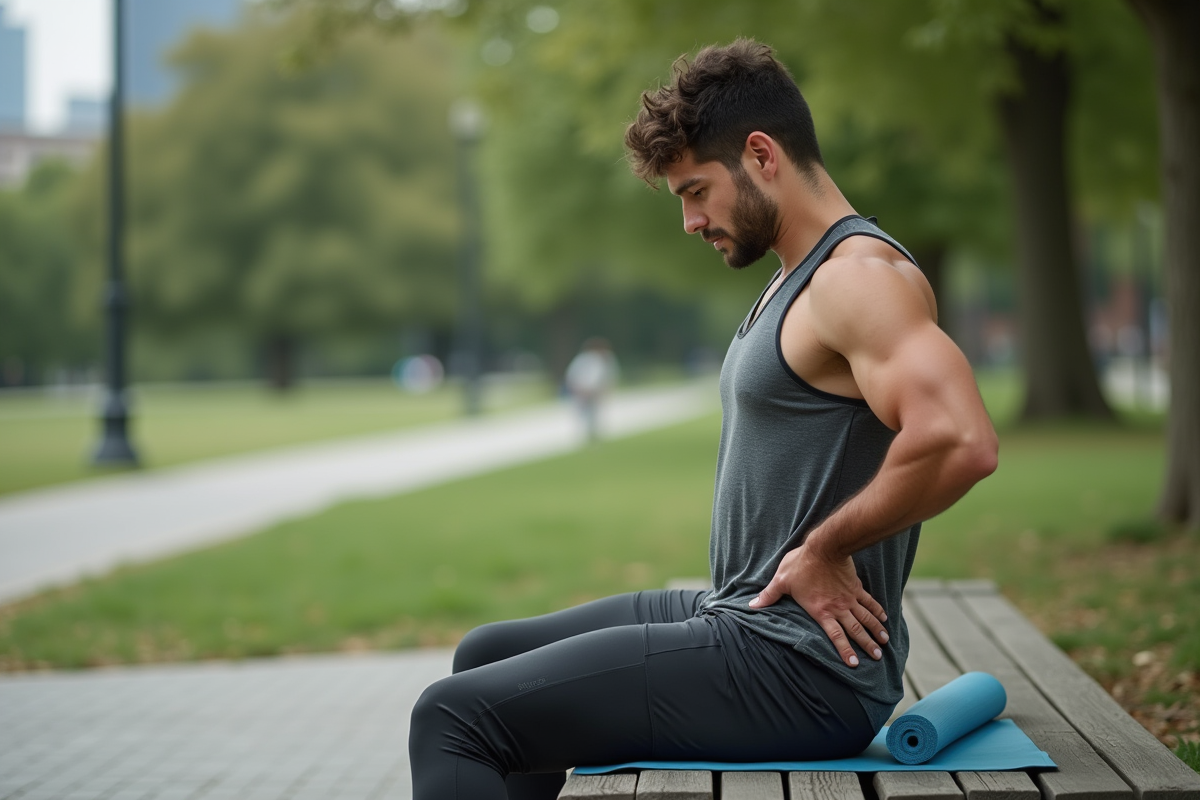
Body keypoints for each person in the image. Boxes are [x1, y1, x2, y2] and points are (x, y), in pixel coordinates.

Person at [409, 38, 998, 800]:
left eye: (694, 191)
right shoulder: (798, 274)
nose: (689, 221)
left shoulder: (858, 279)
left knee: (450, 719)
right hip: (746, 612)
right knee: (483, 657)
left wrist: (825, 547)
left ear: (761, 155)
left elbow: (961, 438)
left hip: (797, 669)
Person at [564, 337, 620, 442]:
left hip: (593, 392)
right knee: (582, 414)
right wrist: (579, 389)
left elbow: (600, 377)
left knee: (595, 414)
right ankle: (584, 435)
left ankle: (593, 435)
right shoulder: (582, 360)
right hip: (581, 391)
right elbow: (573, 375)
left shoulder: (601, 359)